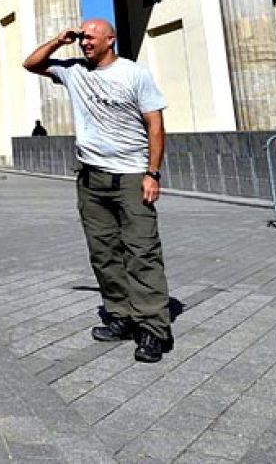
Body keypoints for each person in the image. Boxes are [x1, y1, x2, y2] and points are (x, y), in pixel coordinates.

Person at [23, 19, 172, 364]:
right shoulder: (74, 71)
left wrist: (152, 173)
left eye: (90, 37)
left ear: (110, 39)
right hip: (91, 179)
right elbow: (32, 64)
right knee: (103, 252)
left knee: (142, 252)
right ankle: (120, 314)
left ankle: (152, 327)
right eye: (82, 37)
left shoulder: (135, 74)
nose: (84, 43)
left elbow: (156, 125)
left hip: (132, 176)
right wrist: (59, 40)